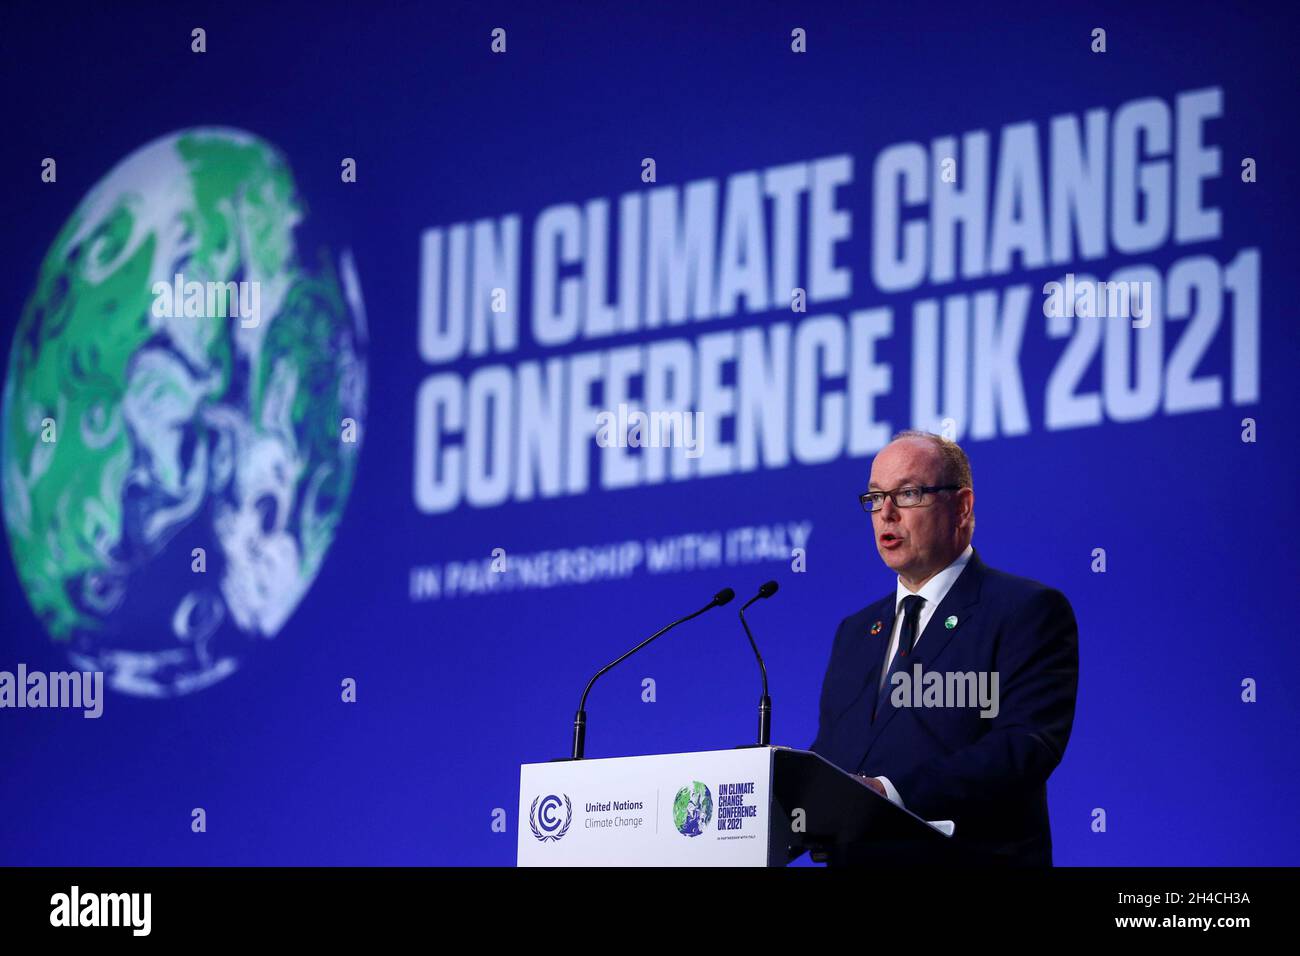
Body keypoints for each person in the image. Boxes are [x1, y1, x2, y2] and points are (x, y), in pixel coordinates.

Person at [809, 430, 1079, 866]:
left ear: (962, 506)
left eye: (908, 493)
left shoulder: (1025, 611)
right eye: (876, 497)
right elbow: (836, 751)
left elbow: (1024, 748)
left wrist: (890, 793)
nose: (886, 513)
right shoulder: (855, 631)